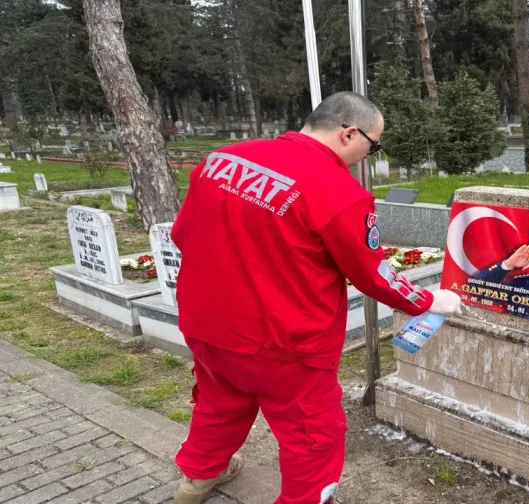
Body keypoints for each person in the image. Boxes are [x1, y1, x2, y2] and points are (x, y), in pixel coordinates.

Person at [169, 91, 462, 504]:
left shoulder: (223, 160)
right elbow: (372, 274)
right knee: (313, 435)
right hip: (284, 342)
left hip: (207, 324)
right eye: (373, 145)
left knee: (219, 402)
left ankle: (197, 479)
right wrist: (429, 301)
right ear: (348, 133)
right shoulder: (338, 192)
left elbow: (183, 235)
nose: (368, 156)